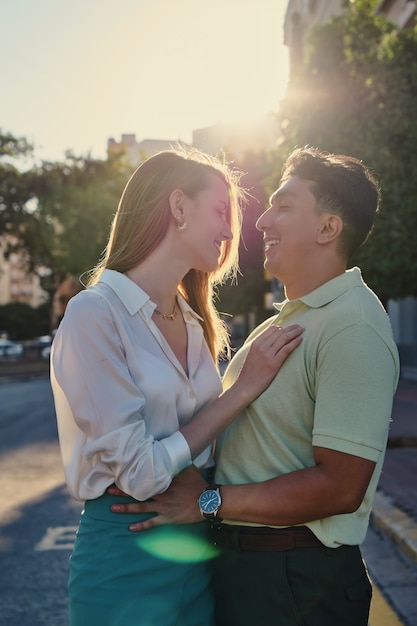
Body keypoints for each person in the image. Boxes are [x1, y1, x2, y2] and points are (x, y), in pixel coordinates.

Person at [109, 147, 400, 626]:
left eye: (284, 206)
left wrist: (207, 501)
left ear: (328, 229)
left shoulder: (354, 325)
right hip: (252, 569)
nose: (261, 221)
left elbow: (342, 486)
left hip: (295, 581)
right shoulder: (282, 323)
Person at [50, 146, 303, 626]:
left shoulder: (193, 322)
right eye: (222, 212)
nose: (232, 231)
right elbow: (142, 473)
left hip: (198, 548)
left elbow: (208, 451)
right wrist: (241, 392)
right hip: (125, 557)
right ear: (179, 207)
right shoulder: (94, 314)